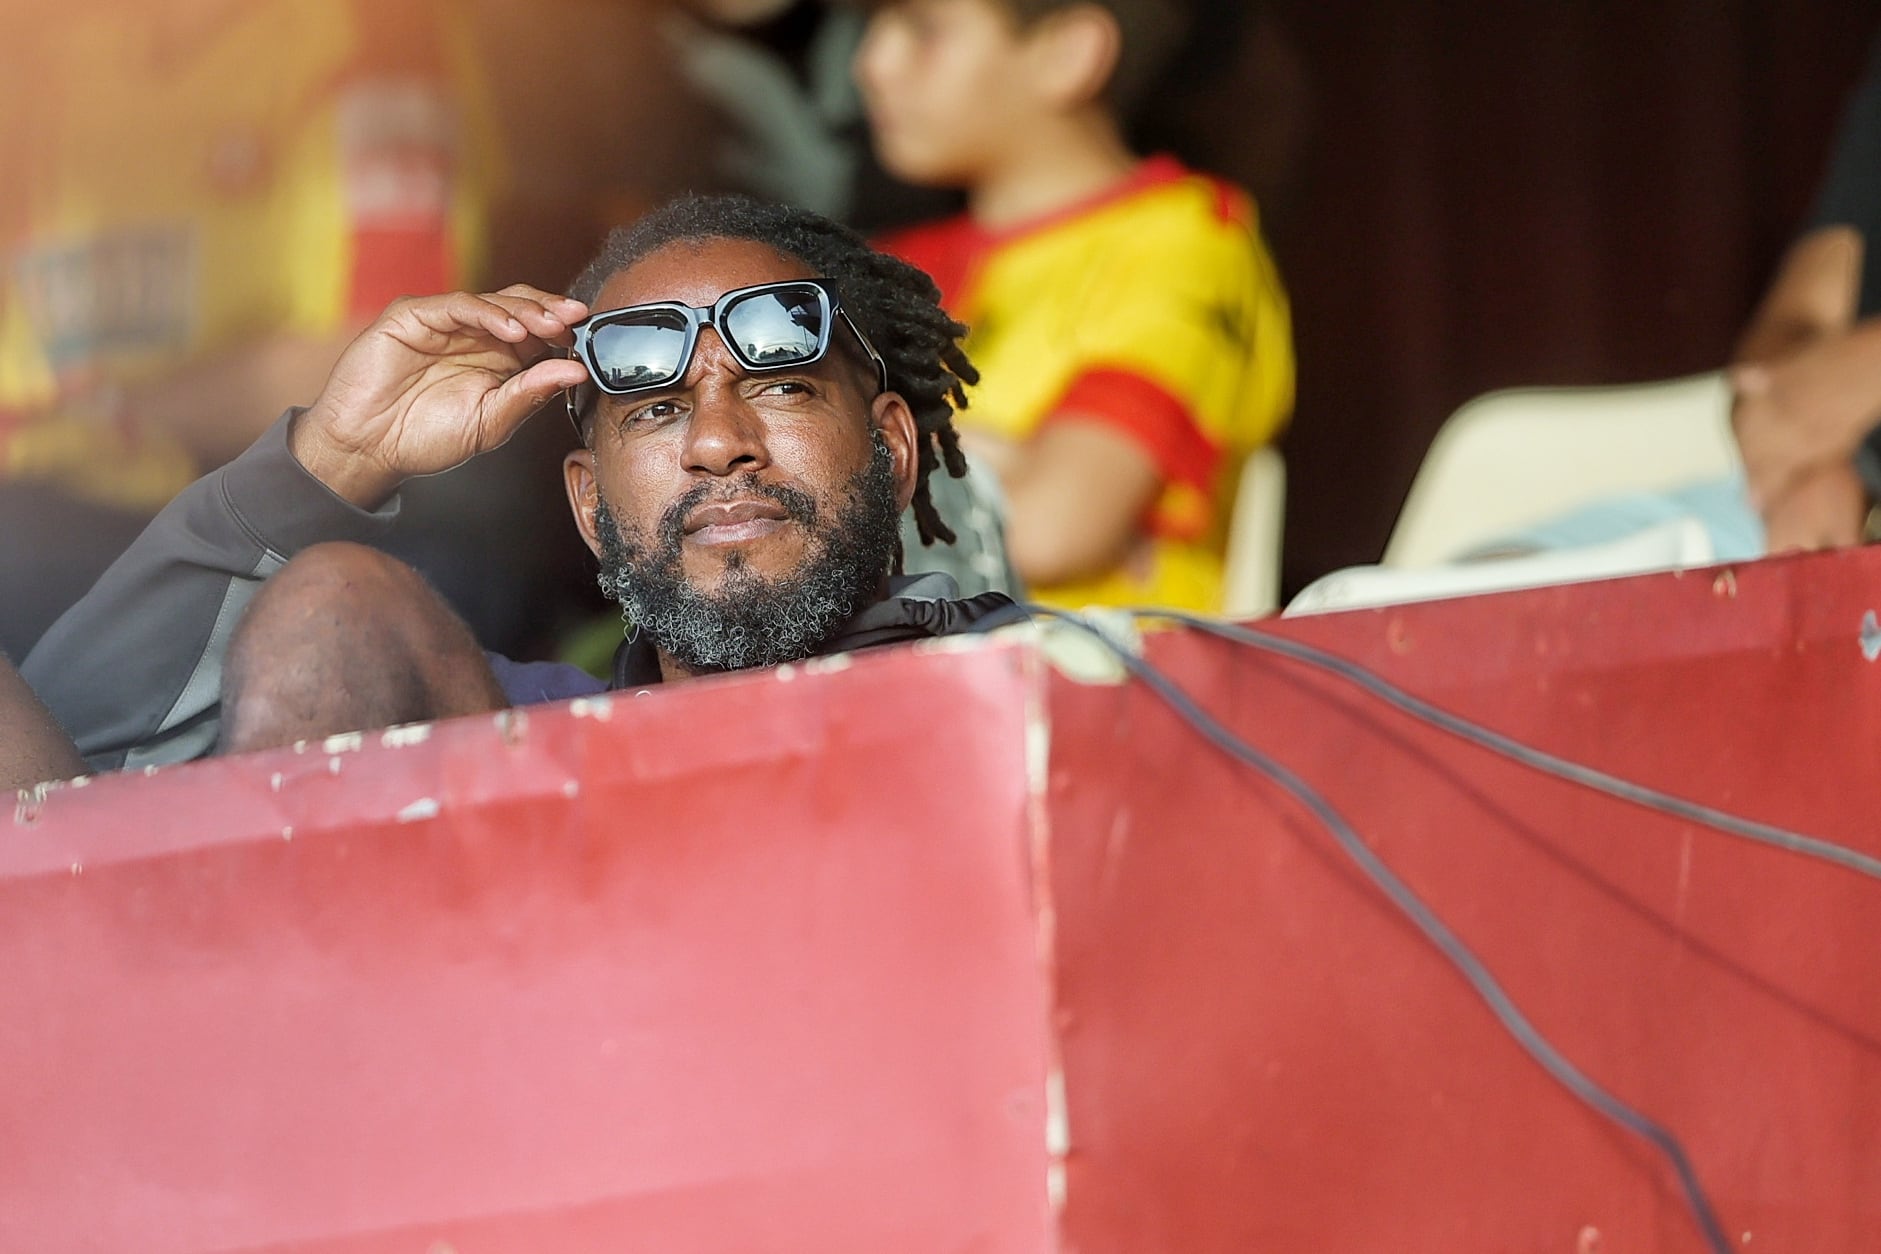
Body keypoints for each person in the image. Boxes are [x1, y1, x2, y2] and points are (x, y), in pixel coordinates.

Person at [19, 195, 1028, 776]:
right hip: (482, 1118)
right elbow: (56, 779)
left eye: (785, 389)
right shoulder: (489, 723)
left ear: (895, 453)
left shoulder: (1051, 685)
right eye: (658, 410)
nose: (720, 443)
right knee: (339, 604)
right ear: (590, 507)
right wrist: (329, 461)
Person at [0, 1, 503, 661]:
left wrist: (98, 419)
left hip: (274, 508)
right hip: (48, 500)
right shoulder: (40, 39)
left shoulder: (379, 32)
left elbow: (394, 358)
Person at [857, 0, 1295, 611]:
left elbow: (1053, 528)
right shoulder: (881, 265)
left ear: (1069, 53)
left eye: (924, 30)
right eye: (872, 26)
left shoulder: (1185, 238)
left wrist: (860, 450)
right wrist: (997, 458)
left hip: (1107, 679)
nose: (872, 63)